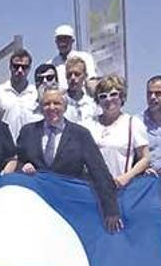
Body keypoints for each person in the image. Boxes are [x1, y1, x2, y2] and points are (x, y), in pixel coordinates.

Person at [17, 89, 122, 232]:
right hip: (36, 205)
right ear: (41, 107)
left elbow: (99, 171)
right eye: (47, 104)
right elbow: (16, 162)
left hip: (69, 206)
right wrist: (23, 166)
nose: (52, 108)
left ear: (65, 107)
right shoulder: (28, 132)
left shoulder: (80, 134)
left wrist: (111, 210)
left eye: (57, 103)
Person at [85, 75, 151, 188]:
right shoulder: (88, 124)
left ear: (122, 97)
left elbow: (145, 158)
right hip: (92, 188)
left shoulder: (133, 123)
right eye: (103, 96)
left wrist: (126, 177)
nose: (108, 99)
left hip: (120, 188)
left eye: (113, 94)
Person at [0, 49, 40, 141]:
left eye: (24, 67)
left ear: (29, 69)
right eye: (16, 66)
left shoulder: (36, 94)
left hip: (32, 147)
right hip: (7, 148)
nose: (20, 70)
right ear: (10, 67)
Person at [47, 24, 97, 91]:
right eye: (60, 39)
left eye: (65, 39)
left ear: (72, 41)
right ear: (56, 42)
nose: (62, 43)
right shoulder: (50, 64)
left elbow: (91, 80)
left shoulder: (85, 57)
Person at [64, 56, 99, 124]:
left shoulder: (92, 104)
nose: (73, 78)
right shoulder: (60, 102)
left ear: (85, 76)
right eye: (69, 75)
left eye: (77, 74)